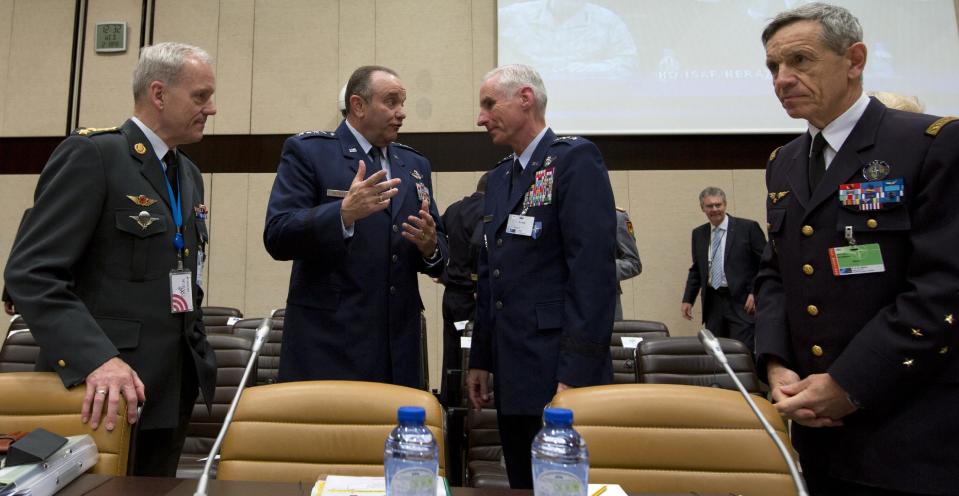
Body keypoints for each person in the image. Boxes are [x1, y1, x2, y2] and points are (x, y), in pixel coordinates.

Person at [755, 3, 959, 494]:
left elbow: (943, 287)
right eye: (773, 67)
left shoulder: (929, 143)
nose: (783, 78)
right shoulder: (783, 163)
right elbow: (774, 275)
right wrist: (776, 363)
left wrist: (848, 384)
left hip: (908, 433)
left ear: (855, 59)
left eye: (800, 60)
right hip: (816, 435)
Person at [3, 42, 218, 476]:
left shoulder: (188, 172)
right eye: (200, 96)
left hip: (171, 385)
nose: (211, 108)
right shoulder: (95, 155)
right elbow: (31, 274)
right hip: (101, 388)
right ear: (159, 94)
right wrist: (96, 358)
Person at [466, 64, 616, 489]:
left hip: (559, 368)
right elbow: (490, 275)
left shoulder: (574, 159)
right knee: (521, 484)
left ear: (525, 99)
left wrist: (577, 371)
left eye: (489, 105)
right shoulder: (499, 178)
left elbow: (593, 273)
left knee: (562, 486)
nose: (481, 118)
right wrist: (481, 358)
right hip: (513, 372)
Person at [263, 65, 447, 388]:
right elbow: (278, 234)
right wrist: (342, 215)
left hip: (398, 351)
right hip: (331, 347)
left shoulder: (416, 165)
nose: (401, 113)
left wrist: (431, 247)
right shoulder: (311, 153)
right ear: (358, 105)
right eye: (391, 102)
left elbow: (440, 252)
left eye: (403, 102)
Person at [681, 187, 765, 352]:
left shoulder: (747, 228)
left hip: (741, 301)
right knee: (716, 350)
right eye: (709, 206)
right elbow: (697, 270)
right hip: (713, 302)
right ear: (702, 208)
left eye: (718, 205)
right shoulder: (699, 234)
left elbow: (765, 264)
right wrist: (688, 299)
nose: (714, 210)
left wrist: (755, 291)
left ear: (725, 205)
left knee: (742, 351)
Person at [438, 172, 488, 406]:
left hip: (452, 296)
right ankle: (472, 410)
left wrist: (442, 272)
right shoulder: (490, 210)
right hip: (474, 297)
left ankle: (449, 407)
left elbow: (437, 237)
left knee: (452, 355)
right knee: (473, 355)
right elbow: (479, 245)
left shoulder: (454, 209)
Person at [614, 207, 642, 320]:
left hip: (605, 301)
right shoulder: (563, 215)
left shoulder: (617, 217)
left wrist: (603, 268)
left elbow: (633, 263)